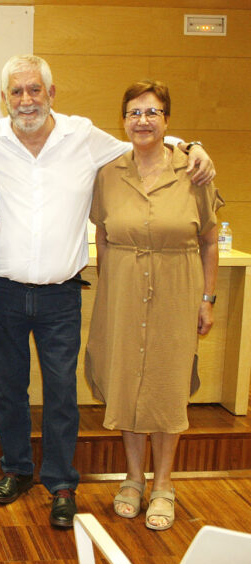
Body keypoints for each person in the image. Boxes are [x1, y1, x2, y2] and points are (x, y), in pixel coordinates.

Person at [0, 54, 215, 527]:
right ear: (4, 99)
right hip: (0, 291)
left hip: (61, 295)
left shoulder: (83, 137)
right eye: (16, 91)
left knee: (61, 393)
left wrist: (193, 144)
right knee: (9, 390)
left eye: (35, 89)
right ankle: (16, 471)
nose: (26, 100)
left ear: (51, 93)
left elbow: (143, 139)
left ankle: (60, 482)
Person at [85, 80, 221, 531]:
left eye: (151, 112)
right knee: (126, 380)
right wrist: (111, 286)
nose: (142, 120)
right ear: (123, 121)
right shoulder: (108, 173)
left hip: (177, 290)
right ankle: (131, 479)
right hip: (122, 290)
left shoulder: (194, 171)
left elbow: (208, 241)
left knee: (166, 382)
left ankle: (163, 483)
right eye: (134, 113)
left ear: (166, 120)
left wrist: (206, 299)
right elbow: (102, 236)